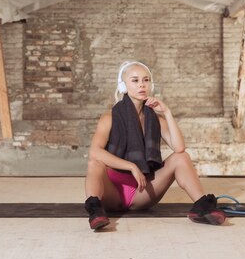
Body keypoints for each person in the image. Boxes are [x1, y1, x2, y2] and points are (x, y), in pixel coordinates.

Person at [83, 60, 226, 230]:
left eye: (146, 80)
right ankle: (95, 211)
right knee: (94, 163)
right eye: (135, 80)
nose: (142, 85)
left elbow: (179, 148)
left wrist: (167, 112)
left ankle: (202, 207)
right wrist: (131, 166)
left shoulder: (156, 119)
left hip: (142, 192)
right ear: (123, 86)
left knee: (181, 158)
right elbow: (95, 152)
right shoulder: (109, 117)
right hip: (112, 191)